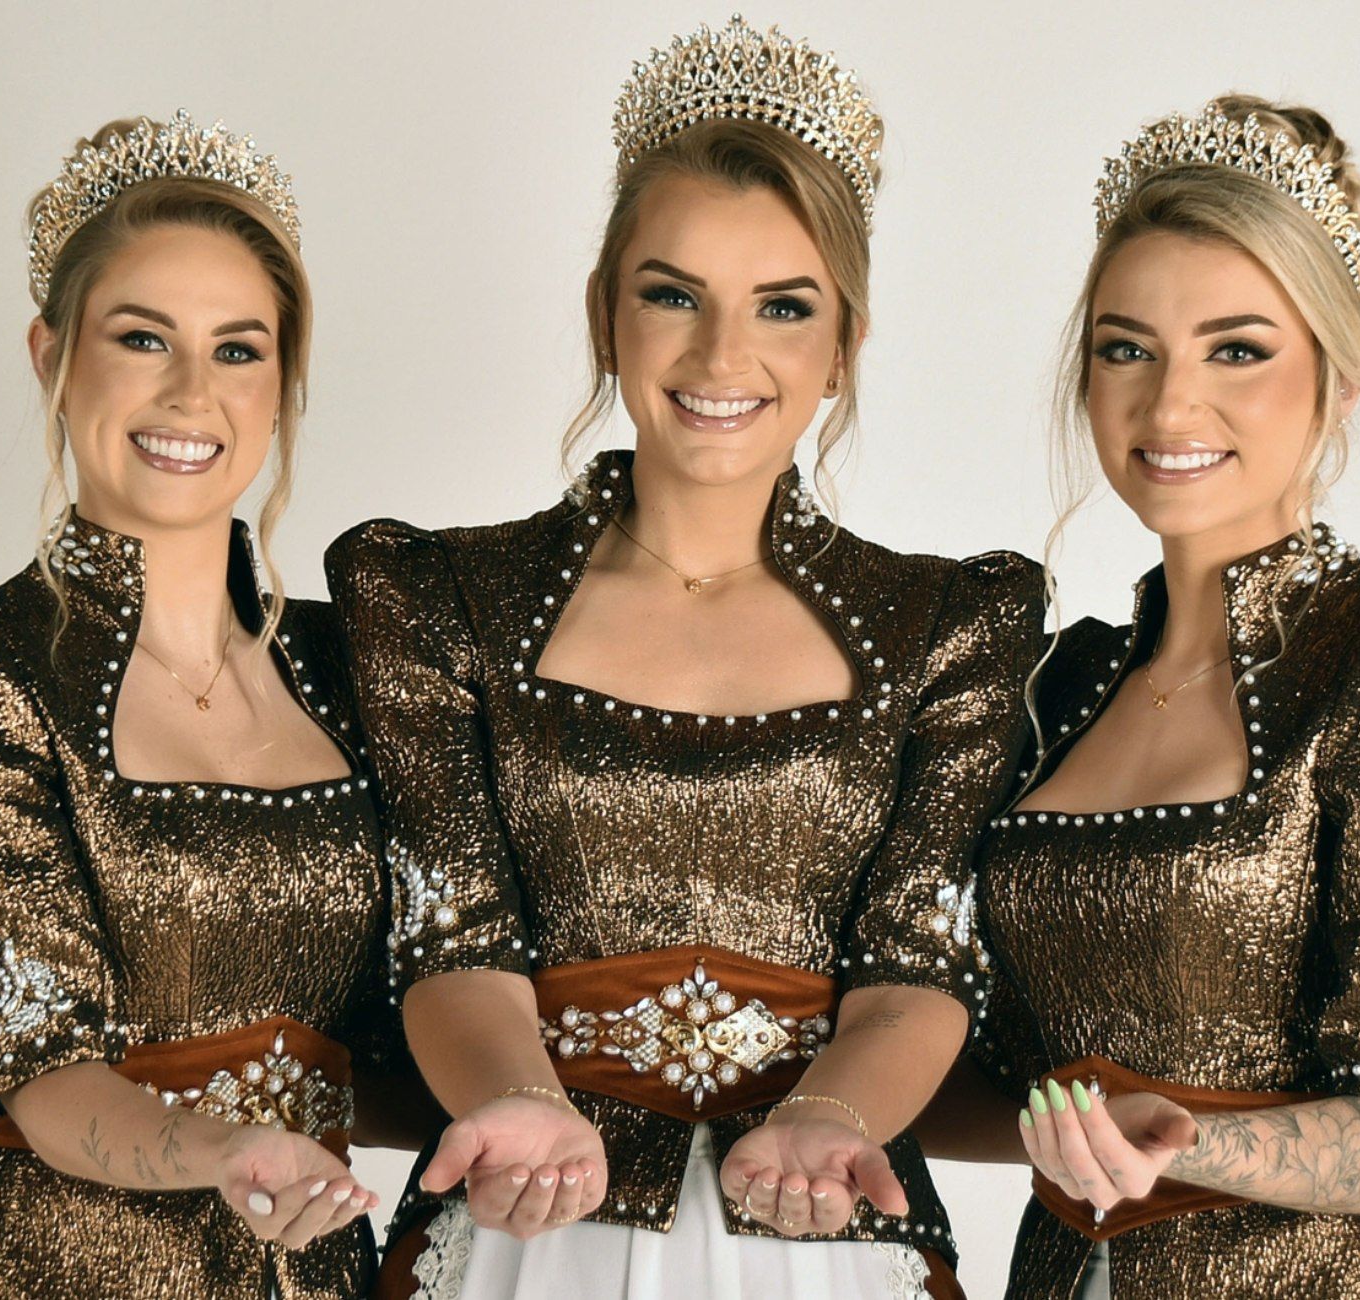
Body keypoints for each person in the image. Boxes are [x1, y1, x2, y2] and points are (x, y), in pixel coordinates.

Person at [329, 18, 1041, 1299]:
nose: (721, 356)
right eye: (672, 295)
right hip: (527, 1223)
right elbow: (450, 930)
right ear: (605, 316)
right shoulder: (440, 598)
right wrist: (519, 1102)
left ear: (842, 346)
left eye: (782, 306)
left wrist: (827, 1116)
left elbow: (916, 963)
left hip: (823, 1239)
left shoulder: (945, 623)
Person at [962, 97, 1360, 1298]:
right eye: (1125, 349)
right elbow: (987, 1076)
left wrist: (1173, 1141)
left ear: (1338, 377)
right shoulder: (1048, 684)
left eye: (1235, 349)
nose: (1168, 407)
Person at [0, 111, 403, 1299]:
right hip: (28, 1265)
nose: (191, 391)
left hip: (305, 1266)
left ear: (282, 384)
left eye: (238, 350)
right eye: (142, 338)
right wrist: (231, 1151)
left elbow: (429, 1011)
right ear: (51, 356)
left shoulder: (365, 662)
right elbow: (34, 1063)